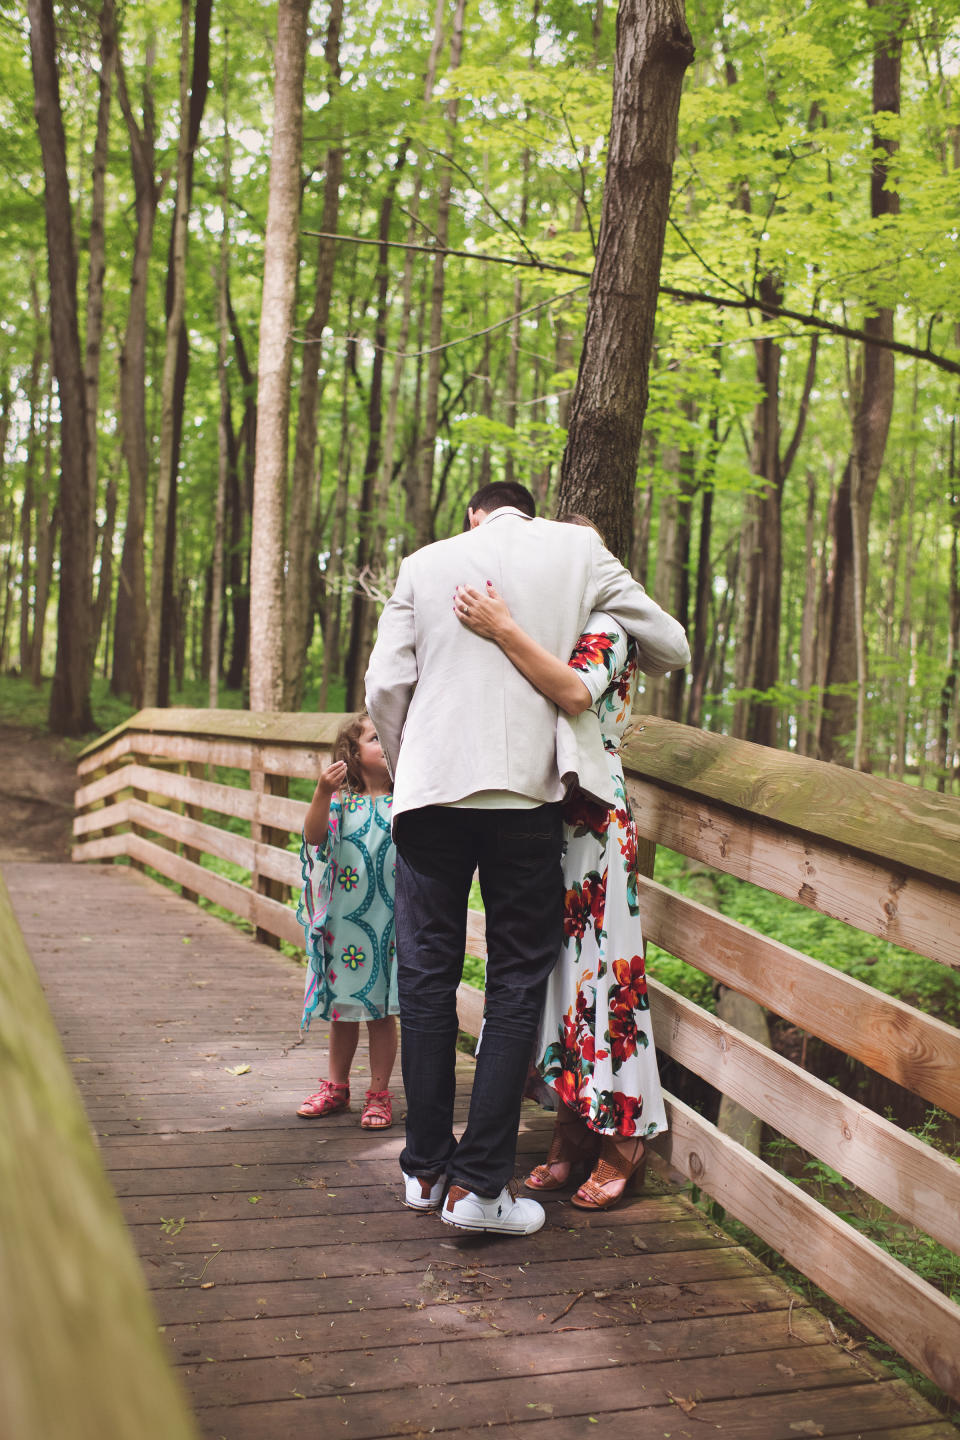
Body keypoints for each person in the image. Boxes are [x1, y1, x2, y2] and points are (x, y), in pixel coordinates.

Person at [365, 481, 689, 1235]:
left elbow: (385, 684)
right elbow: (670, 644)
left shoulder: (425, 562)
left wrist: (415, 766)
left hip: (431, 796)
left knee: (426, 976)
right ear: (528, 514)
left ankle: (422, 1172)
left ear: (473, 513)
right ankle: (481, 1188)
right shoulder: (578, 553)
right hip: (524, 800)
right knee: (514, 979)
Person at [454, 543, 668, 1211]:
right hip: (547, 820)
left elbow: (575, 691)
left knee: (608, 981)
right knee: (555, 982)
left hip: (596, 825)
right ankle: (574, 1126)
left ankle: (623, 1137)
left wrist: (503, 628)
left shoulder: (610, 622)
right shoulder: (555, 625)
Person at [295, 712, 398, 1131]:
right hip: (345, 922)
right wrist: (322, 791)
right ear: (352, 754)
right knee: (342, 1009)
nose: (387, 743)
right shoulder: (342, 802)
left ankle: (379, 1094)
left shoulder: (407, 799)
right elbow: (314, 837)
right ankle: (336, 1086)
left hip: (389, 921)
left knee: (380, 1012)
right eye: (376, 738)